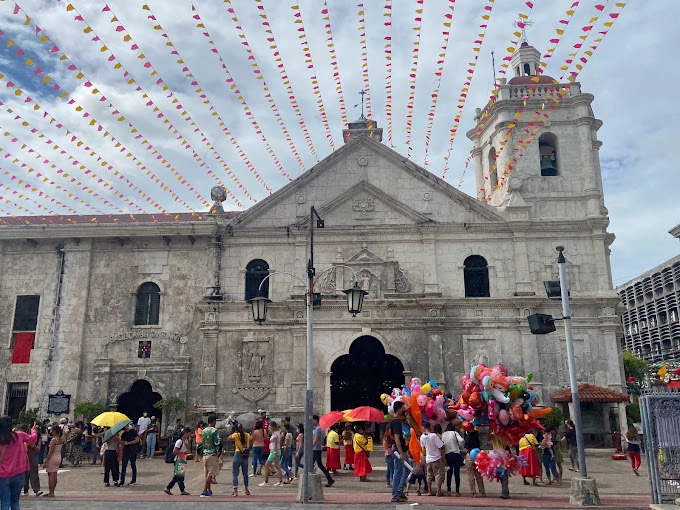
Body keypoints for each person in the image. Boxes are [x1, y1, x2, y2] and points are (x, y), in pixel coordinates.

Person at [390, 401, 409, 503]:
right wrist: (401, 452)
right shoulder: (396, 422)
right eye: (402, 408)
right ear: (399, 409)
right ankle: (395, 494)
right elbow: (397, 438)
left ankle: (399, 490)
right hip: (399, 451)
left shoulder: (395, 421)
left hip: (400, 449)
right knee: (398, 471)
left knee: (407, 469)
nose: (404, 409)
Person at [164, 426, 192, 495]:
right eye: (188, 433)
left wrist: (187, 447)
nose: (189, 435)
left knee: (178, 475)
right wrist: (184, 453)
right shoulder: (179, 441)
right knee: (179, 476)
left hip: (183, 460)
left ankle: (169, 488)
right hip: (178, 460)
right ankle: (180, 490)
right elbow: (175, 451)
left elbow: (188, 449)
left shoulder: (185, 441)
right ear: (185, 433)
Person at [420, 421, 445, 496]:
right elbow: (441, 446)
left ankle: (429, 491)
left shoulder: (422, 437)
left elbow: (422, 447)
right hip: (436, 457)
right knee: (439, 474)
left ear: (423, 428)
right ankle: (438, 491)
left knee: (429, 476)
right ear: (430, 427)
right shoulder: (434, 435)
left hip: (428, 458)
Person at [17, 422, 42, 497]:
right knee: (24, 473)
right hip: (25, 455)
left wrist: (33, 446)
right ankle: (25, 489)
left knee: (33, 472)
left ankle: (36, 490)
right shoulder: (22, 436)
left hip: (31, 454)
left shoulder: (36, 437)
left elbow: (37, 448)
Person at [200, 414, 221, 498]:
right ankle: (204, 490)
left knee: (207, 473)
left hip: (205, 453)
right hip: (212, 454)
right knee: (211, 474)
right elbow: (217, 442)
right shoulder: (214, 431)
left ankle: (208, 490)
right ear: (214, 422)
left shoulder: (204, 430)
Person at [227, 422, 251, 496]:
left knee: (235, 474)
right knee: (245, 473)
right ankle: (246, 489)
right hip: (245, 455)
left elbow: (228, 438)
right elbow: (252, 439)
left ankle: (235, 491)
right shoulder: (247, 435)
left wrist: (234, 432)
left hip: (238, 453)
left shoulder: (236, 435)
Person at [442, 421, 464, 497]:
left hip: (448, 455)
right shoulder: (455, 433)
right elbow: (461, 440)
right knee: (457, 473)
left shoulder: (443, 434)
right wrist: (460, 447)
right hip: (456, 454)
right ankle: (457, 491)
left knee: (449, 473)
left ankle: (448, 490)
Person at [259, 421, 284, 487]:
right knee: (277, 466)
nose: (269, 428)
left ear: (273, 427)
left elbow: (275, 444)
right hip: (276, 450)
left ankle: (266, 481)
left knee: (267, 465)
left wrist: (275, 452)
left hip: (274, 451)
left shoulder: (275, 434)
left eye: (270, 427)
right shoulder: (277, 433)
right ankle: (280, 481)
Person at [312, 415, 334, 487]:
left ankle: (329, 479)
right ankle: (311, 479)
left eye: (313, 420)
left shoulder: (318, 429)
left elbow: (316, 439)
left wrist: (311, 446)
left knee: (320, 465)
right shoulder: (316, 429)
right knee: (310, 464)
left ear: (316, 420)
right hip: (315, 449)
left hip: (316, 449)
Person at [464, 429, 485, 497]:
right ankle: (482, 492)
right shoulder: (477, 439)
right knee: (479, 475)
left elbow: (466, 450)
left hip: (469, 456)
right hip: (477, 456)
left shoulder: (467, 439)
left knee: (471, 475)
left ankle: (473, 493)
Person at [43, 425, 62, 497]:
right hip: (58, 456)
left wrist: (46, 461)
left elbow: (50, 451)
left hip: (53, 457)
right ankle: (52, 491)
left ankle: (51, 492)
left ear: (54, 431)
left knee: (50, 475)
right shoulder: (60, 439)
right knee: (54, 475)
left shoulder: (54, 440)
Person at [120, 422, 140, 486]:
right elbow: (122, 442)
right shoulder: (123, 434)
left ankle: (134, 480)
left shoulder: (133, 432)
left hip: (133, 450)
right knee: (124, 466)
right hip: (126, 451)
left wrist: (128, 443)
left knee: (133, 465)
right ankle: (122, 480)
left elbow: (137, 440)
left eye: (126, 425)